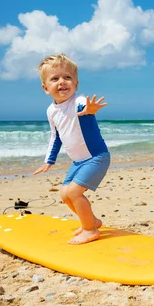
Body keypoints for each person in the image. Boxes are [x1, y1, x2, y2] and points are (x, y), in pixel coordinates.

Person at [33, 53, 110, 245]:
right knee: (65, 194)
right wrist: (49, 161)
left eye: (67, 77)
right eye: (55, 78)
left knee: (75, 193)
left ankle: (90, 230)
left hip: (96, 157)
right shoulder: (51, 111)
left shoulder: (79, 102)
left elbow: (86, 109)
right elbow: (55, 136)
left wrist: (90, 110)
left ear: (76, 84)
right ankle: (91, 221)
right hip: (78, 161)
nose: (62, 82)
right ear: (45, 88)